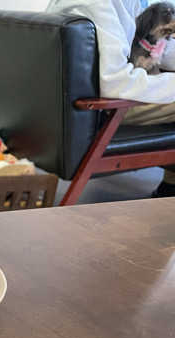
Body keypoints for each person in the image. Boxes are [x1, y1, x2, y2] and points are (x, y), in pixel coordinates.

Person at [48, 0, 175, 196]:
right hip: (102, 108)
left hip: (79, 105)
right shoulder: (100, 5)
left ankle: (170, 187)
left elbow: (150, 47)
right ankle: (170, 188)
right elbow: (115, 82)